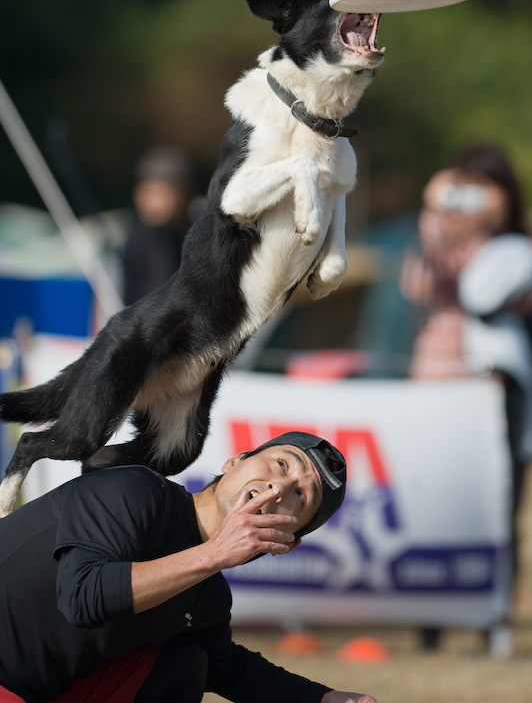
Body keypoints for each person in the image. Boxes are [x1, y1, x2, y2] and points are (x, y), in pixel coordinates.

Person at [0, 432, 376, 703]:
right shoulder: (132, 489)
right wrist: (213, 553)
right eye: (281, 464)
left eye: (300, 495)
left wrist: (325, 698)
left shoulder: (207, 597)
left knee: (184, 664)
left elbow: (228, 670)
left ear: (287, 542)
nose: (278, 488)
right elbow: (82, 596)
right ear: (236, 461)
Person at [401, 142, 532, 651]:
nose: (469, 200)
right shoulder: (436, 237)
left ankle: (490, 623)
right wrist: (437, 216)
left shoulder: (516, 250)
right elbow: (417, 283)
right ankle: (427, 621)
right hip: (434, 376)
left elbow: (484, 294)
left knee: (498, 504)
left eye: (482, 189)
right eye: (461, 187)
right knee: (427, 496)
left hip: (491, 386)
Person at [123, 145, 194, 305]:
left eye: (160, 192)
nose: (152, 200)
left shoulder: (190, 232)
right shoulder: (143, 234)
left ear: (185, 193)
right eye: (148, 191)